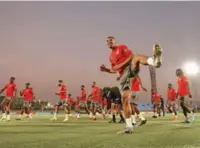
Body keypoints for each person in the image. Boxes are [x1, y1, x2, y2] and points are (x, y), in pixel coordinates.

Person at [100, 36, 162, 134]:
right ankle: (129, 126)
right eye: (107, 41)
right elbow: (113, 69)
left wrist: (121, 65)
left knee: (136, 57)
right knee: (125, 100)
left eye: (111, 40)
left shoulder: (122, 47)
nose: (109, 42)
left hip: (130, 68)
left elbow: (131, 56)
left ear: (115, 41)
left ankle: (154, 61)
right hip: (123, 77)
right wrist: (107, 70)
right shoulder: (111, 57)